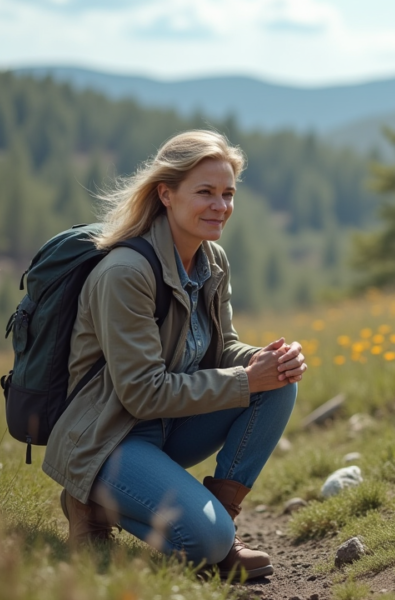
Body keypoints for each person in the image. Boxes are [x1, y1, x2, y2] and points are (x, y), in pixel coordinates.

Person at [41, 130, 305, 580]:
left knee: (278, 385)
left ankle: (223, 530)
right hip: (108, 438)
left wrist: (266, 360)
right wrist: (245, 380)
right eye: (205, 192)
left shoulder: (212, 260)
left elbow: (221, 349)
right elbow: (143, 394)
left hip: (169, 426)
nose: (220, 206)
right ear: (166, 193)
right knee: (203, 540)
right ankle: (89, 502)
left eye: (227, 193)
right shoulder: (125, 273)